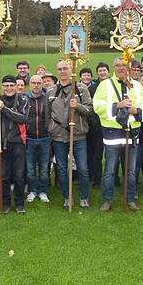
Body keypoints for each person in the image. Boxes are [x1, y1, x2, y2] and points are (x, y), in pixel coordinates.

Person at [93, 58, 143, 211]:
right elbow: (97, 106)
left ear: (129, 67)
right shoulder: (104, 85)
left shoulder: (137, 86)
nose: (121, 68)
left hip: (131, 133)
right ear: (113, 67)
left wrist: (135, 111)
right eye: (118, 65)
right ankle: (107, 200)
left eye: (124, 65)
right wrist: (117, 106)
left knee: (131, 171)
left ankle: (130, 199)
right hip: (112, 134)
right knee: (110, 170)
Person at [46, 60, 93, 209]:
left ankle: (84, 197)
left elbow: (89, 111)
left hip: (78, 135)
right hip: (58, 136)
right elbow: (48, 114)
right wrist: (51, 128)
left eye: (65, 68)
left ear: (71, 69)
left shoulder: (81, 89)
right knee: (61, 169)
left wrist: (77, 106)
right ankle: (67, 197)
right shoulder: (51, 91)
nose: (62, 71)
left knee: (83, 168)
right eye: (59, 69)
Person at [0, 75, 28, 214]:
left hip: (18, 142)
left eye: (11, 85)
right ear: (2, 87)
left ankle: (19, 204)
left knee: (19, 176)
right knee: (3, 176)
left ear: (16, 86)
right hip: (1, 143)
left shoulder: (23, 99)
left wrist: (4, 110)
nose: (8, 88)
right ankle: (6, 203)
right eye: (5, 85)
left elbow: (22, 118)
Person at [24, 74, 50, 204]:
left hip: (45, 138)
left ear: (42, 85)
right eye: (33, 83)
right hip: (29, 138)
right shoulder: (24, 99)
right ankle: (33, 190)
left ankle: (43, 191)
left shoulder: (47, 99)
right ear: (30, 84)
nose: (36, 85)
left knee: (44, 168)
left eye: (38, 83)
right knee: (30, 168)